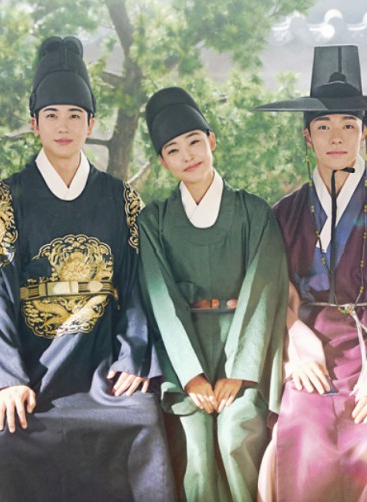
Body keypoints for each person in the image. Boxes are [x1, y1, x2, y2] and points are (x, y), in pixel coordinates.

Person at [0, 35, 174, 501]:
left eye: (75, 115)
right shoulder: (3, 200)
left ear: (91, 123)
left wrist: (133, 357)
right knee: (5, 441)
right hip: (29, 372)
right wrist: (5, 379)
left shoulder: (121, 199)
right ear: (34, 123)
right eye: (52, 115)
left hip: (101, 370)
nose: (63, 126)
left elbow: (139, 289)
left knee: (142, 421)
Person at [255, 45, 367, 501]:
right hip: (311, 354)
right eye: (323, 127)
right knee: (302, 432)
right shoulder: (283, 214)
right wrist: (297, 356)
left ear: (365, 132)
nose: (336, 137)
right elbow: (274, 297)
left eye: (348, 126)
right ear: (307, 136)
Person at [137, 87, 287, 502]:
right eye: (173, 150)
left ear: (212, 141)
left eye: (194, 142)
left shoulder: (254, 212)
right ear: (163, 162)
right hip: (184, 358)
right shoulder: (154, 221)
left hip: (245, 352)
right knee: (197, 449)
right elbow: (162, 301)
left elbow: (263, 291)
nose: (188, 156)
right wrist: (191, 375)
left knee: (235, 434)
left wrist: (239, 371)